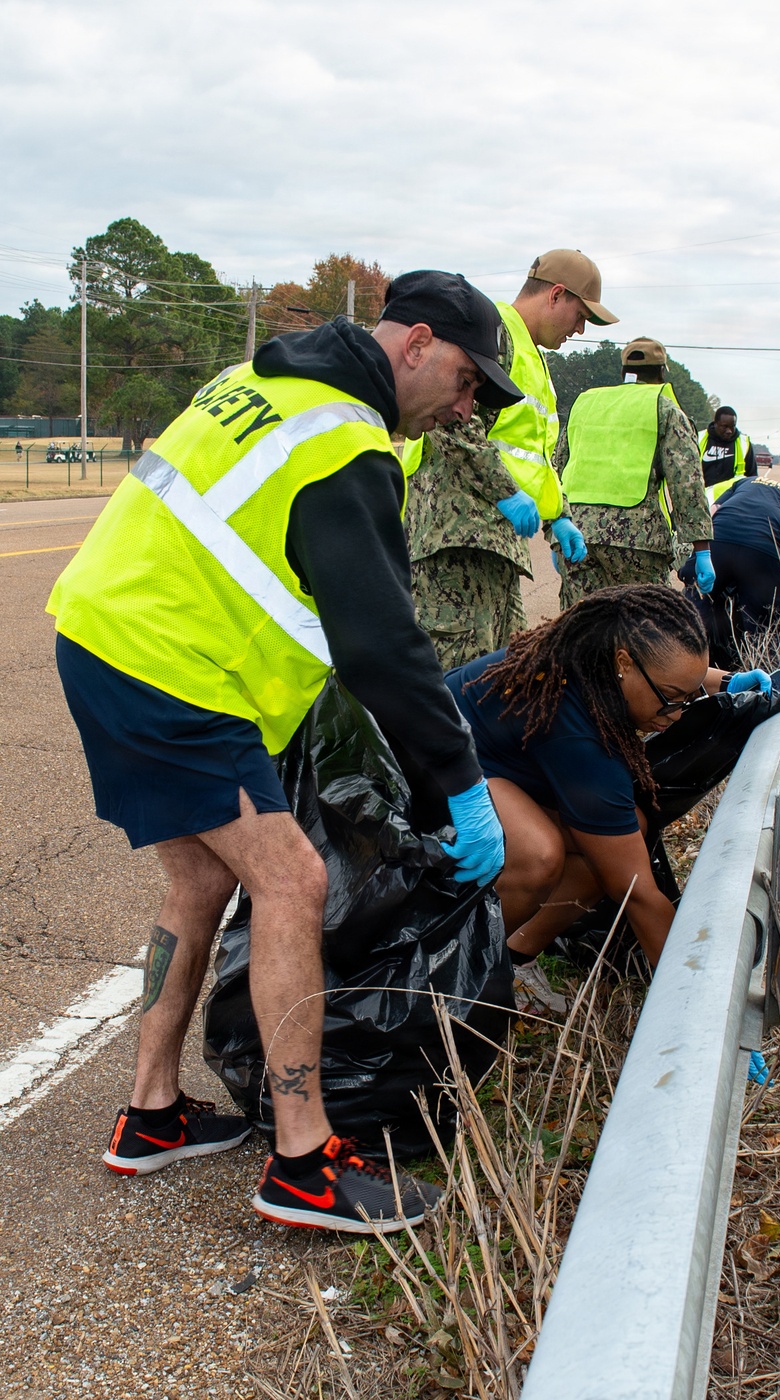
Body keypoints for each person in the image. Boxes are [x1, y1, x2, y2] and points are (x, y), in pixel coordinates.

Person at [46, 269, 518, 1235]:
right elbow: (382, 644)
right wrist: (463, 784)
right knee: (293, 880)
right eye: (468, 381)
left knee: (199, 880)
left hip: (107, 638)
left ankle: (150, 1113)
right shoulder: (343, 442)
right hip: (172, 669)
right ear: (417, 344)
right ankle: (304, 1165)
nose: (467, 409)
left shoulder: (263, 382)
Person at [444, 586, 775, 1005]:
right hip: (436, 766)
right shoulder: (579, 735)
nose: (677, 715)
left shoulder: (608, 654)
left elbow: (668, 670)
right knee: (539, 854)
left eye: (687, 699)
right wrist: (698, 1004)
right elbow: (637, 894)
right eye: (671, 700)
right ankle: (455, 973)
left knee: (622, 835)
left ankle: (514, 958)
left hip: (494, 759)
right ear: (624, 664)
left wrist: (725, 681)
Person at [404, 249, 618, 668]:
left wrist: (558, 518)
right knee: (453, 677)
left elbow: (533, 456)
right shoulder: (494, 334)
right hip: (456, 539)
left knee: (503, 672)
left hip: (494, 546)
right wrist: (506, 492)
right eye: (580, 315)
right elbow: (450, 421)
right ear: (555, 294)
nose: (579, 329)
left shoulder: (530, 355)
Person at [557, 336, 715, 608]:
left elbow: (557, 466)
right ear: (662, 372)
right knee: (644, 624)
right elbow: (686, 482)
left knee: (582, 625)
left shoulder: (586, 404)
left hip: (577, 534)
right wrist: (702, 549)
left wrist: (555, 530)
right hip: (637, 539)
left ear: (623, 372)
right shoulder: (665, 409)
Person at [679, 478, 780, 671]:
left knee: (694, 608)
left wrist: (701, 552)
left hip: (719, 536)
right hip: (762, 549)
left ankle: (681, 662)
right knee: (766, 628)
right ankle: (763, 677)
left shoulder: (749, 481)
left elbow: (713, 510)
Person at [699, 405, 757, 504]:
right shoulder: (698, 438)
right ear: (715, 423)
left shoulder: (744, 443)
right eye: (724, 427)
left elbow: (752, 477)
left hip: (731, 502)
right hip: (702, 501)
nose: (729, 431)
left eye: (732, 426)